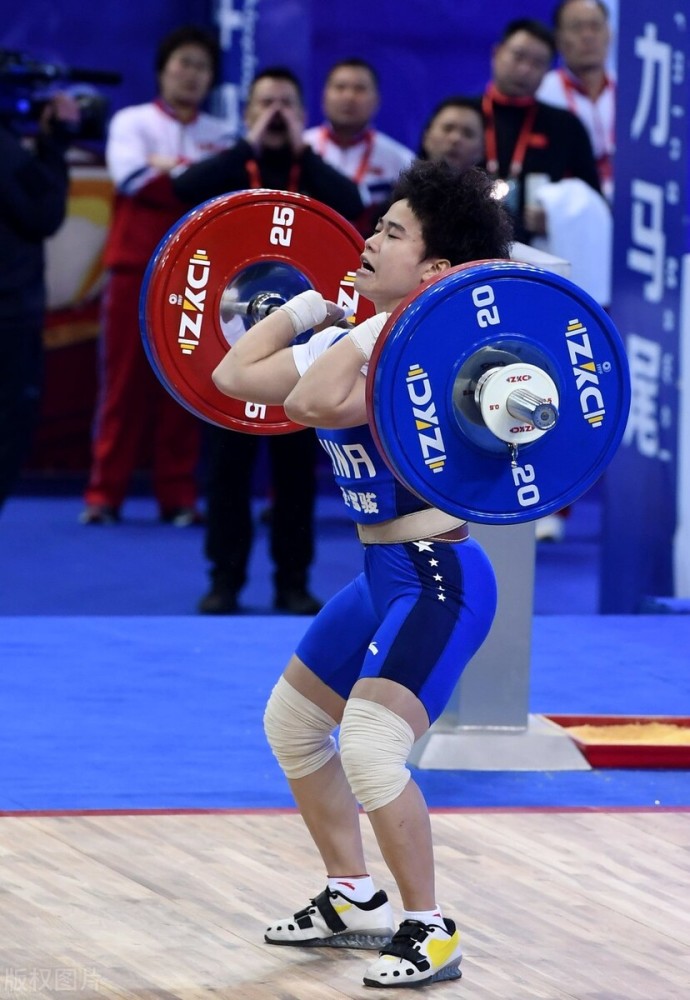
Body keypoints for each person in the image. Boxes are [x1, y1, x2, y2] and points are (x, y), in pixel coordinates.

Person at [211, 160, 513, 988]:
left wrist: (365, 326)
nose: (369, 240)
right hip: (383, 571)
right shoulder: (352, 337)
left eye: (391, 232)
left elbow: (309, 406)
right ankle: (355, 897)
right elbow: (234, 378)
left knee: (375, 750)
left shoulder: (422, 356)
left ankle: (430, 927)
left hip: (440, 576)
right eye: (375, 226)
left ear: (436, 272)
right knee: (292, 724)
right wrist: (312, 307)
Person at [171, 67, 365, 615]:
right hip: (228, 343)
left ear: (304, 115)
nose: (276, 112)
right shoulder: (232, 167)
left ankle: (292, 583)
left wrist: (300, 148)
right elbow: (182, 189)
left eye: (286, 102)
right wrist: (249, 142)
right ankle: (224, 581)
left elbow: (349, 199)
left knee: (295, 473)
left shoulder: (315, 173)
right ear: (247, 112)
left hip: (302, 347)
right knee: (226, 468)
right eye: (264, 103)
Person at [80, 25, 233, 526]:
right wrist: (194, 173)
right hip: (133, 267)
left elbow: (223, 194)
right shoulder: (131, 121)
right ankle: (104, 493)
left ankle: (178, 495)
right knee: (121, 384)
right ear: (163, 69)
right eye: (183, 63)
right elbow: (131, 179)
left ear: (211, 78)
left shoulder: (223, 132)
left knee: (186, 385)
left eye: (201, 67)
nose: (191, 75)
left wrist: (172, 169)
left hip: (197, 274)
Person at [0, 91, 80, 513]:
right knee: (11, 426)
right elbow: (44, 212)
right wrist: (54, 144)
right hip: (9, 315)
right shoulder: (8, 152)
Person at [480, 17, 601, 246]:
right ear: (496, 53)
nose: (525, 69)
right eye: (518, 56)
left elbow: (594, 205)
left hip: (537, 253)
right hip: (461, 246)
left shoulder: (566, 126)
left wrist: (558, 221)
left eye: (538, 63)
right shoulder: (461, 115)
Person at [303, 58, 415, 236]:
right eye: (340, 87)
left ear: (377, 100)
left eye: (360, 89)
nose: (349, 96)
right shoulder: (303, 147)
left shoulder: (400, 160)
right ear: (324, 96)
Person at [537, 0, 615, 204]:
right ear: (558, 40)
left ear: (610, 34)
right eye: (576, 27)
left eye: (595, 27)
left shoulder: (631, 92)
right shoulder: (542, 93)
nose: (587, 36)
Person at [417, 96, 484, 171]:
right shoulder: (402, 178)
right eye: (447, 129)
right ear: (427, 136)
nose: (455, 139)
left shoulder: (494, 182)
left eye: (468, 134)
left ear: (481, 150)